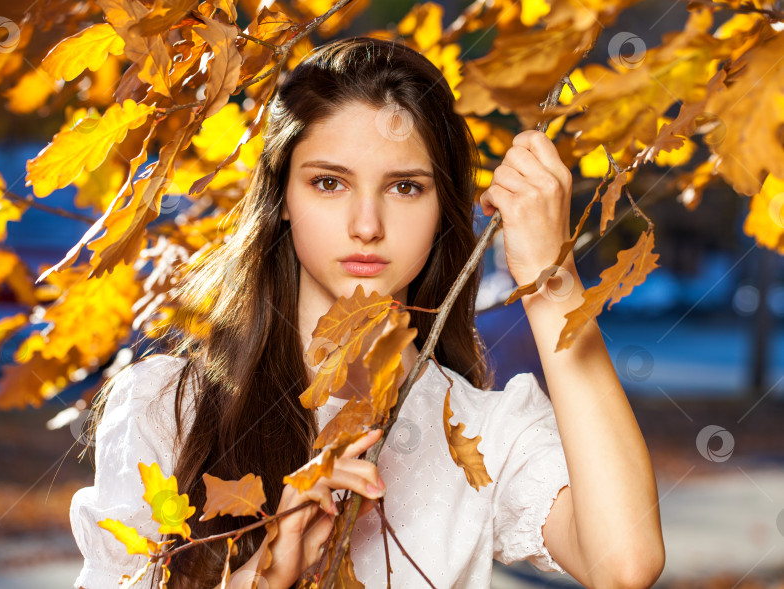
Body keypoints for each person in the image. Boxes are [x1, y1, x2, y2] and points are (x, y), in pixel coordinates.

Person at [71, 36, 665, 589]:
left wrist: (551, 283)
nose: (366, 226)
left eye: (405, 187)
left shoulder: (485, 434)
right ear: (281, 198)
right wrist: (270, 570)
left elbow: (625, 562)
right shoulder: (167, 407)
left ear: (442, 210)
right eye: (329, 183)